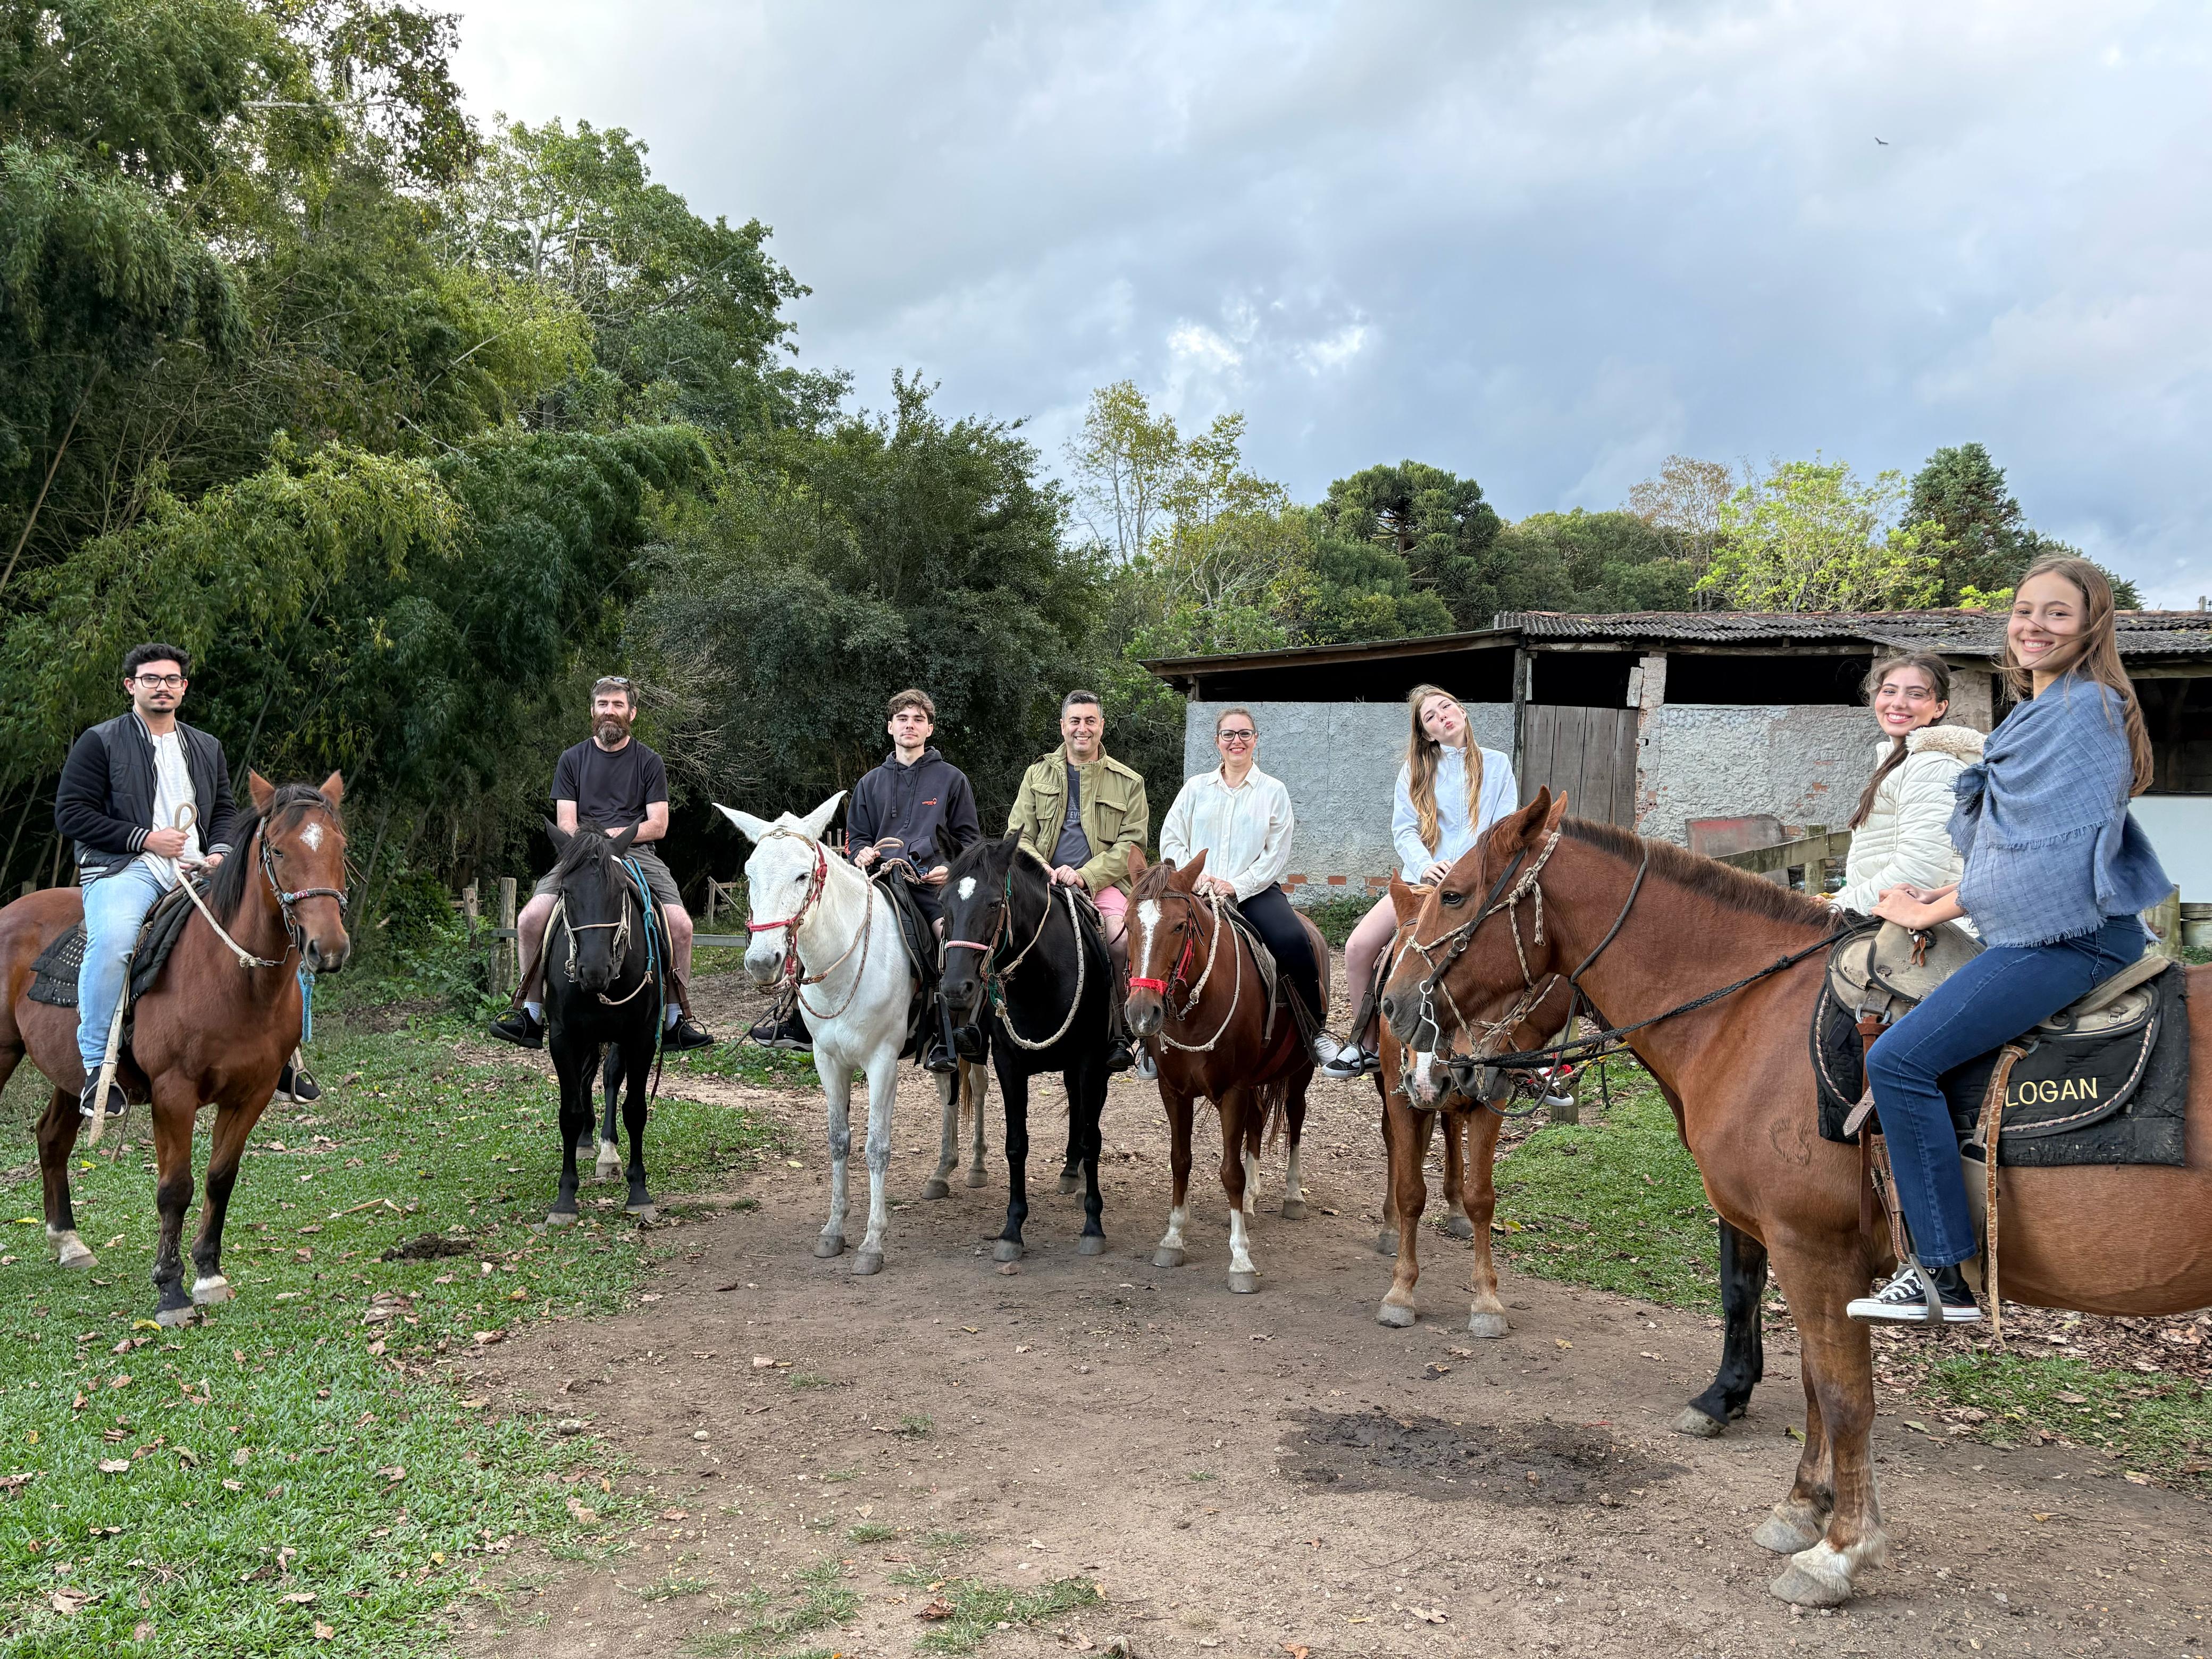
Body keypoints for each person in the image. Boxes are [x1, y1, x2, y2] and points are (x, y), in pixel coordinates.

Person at [1848, 558, 2169, 1326]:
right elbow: (2013, 846)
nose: (2033, 626)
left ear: (2092, 625)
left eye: (2057, 614)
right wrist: (1948, 896)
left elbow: (2059, 856)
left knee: (1899, 1060)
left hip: (2072, 939)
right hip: (2041, 926)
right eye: (2025, 611)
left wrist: (1934, 915)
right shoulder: (2034, 710)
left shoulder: (2087, 707)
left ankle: (1941, 1277)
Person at [53, 643, 316, 1115]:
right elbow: (71, 814)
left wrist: (219, 852)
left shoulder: (206, 745)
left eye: (171, 680)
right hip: (124, 869)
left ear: (184, 689)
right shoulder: (100, 741)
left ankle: (280, 1057)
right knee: (114, 942)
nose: (162, 687)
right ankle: (98, 1068)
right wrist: (142, 838)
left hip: (196, 870)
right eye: (151, 679)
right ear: (131, 685)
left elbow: (223, 812)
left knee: (284, 928)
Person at [748, 689, 979, 1071]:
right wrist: (861, 853)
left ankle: (948, 1034)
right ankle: (797, 1019)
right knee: (816, 928)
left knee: (947, 938)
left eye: (918, 720)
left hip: (928, 886)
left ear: (930, 729)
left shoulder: (952, 780)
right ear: (890, 727)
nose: (910, 726)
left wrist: (951, 869)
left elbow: (969, 840)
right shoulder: (870, 783)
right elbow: (857, 836)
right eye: (903, 719)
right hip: (875, 883)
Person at [489, 677, 713, 1051]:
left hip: (636, 853)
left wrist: (615, 837)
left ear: (633, 713)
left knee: (681, 925)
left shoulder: (649, 761)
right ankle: (529, 1012)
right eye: (603, 704)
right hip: (579, 853)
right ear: (592, 711)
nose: (610, 711)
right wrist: (597, 842)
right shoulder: (571, 759)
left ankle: (677, 1018)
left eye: (618, 705)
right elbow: (566, 825)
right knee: (529, 919)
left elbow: (658, 825)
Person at [1319, 683, 1517, 1080]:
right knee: (1358, 946)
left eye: (1446, 707)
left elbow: (1505, 826)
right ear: (1428, 734)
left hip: (1478, 885)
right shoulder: (1416, 771)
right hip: (1422, 883)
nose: (1442, 715)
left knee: (1530, 951)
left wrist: (1474, 871)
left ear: (1461, 711)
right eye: (1431, 716)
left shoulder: (1497, 765)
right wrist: (1426, 866)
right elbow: (1405, 830)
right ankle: (1366, 1045)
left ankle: (1526, 1061)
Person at [1158, 706, 1333, 1060]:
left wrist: (1235, 885)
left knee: (1294, 941)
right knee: (1154, 941)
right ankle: (1151, 1039)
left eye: (1244, 734)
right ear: (1217, 742)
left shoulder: (1274, 791)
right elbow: (1171, 838)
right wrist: (1196, 878)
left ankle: (1316, 1032)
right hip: (1196, 892)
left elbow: (1275, 855)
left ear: (1255, 741)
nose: (1236, 741)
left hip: (1254, 892)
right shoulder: (1195, 789)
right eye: (1229, 735)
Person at [1007, 690, 1150, 1075]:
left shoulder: (1129, 781)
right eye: (1075, 721)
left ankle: (1120, 1032)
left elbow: (1132, 844)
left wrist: (1085, 875)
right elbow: (1019, 836)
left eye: (1090, 721)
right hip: (1043, 883)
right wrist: (1045, 870)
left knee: (1119, 939)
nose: (1082, 729)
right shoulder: (1036, 775)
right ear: (1063, 726)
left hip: (1103, 885)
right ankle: (993, 1027)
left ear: (1101, 726)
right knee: (995, 930)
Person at [1825, 652, 1984, 927]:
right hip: (1887, 919)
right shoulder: (1900, 761)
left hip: (1927, 931)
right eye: (1889, 691)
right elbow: (1880, 863)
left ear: (1939, 708)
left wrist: (1837, 909)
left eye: (1915, 694)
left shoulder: (1934, 766)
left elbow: (1918, 874)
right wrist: (1839, 897)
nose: (1898, 703)